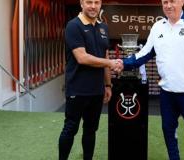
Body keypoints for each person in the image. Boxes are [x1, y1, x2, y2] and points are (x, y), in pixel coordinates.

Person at [122, 0, 184, 159]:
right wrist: (122, 63)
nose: (169, 5)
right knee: (168, 131)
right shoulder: (158, 27)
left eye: (173, 1)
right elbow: (145, 53)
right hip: (166, 93)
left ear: (182, 2)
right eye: (165, 2)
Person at [58, 0, 123, 159]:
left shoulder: (103, 27)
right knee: (70, 129)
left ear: (100, 4)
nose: (93, 6)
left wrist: (108, 85)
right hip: (77, 89)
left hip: (96, 90)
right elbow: (82, 58)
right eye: (89, 2)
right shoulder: (74, 26)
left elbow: (105, 55)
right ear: (81, 3)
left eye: (96, 2)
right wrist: (109, 63)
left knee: (90, 129)